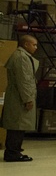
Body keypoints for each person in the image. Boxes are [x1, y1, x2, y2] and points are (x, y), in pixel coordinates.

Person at [2, 34, 39, 163]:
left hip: (17, 95)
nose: (36, 47)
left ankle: (15, 151)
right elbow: (24, 80)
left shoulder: (20, 56)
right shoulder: (22, 58)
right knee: (17, 125)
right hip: (19, 97)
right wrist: (28, 99)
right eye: (33, 45)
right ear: (26, 44)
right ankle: (13, 153)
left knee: (17, 125)